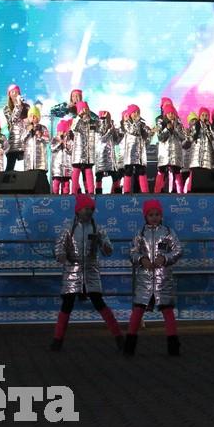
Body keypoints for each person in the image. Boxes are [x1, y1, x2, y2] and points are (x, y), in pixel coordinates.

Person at [49, 194, 124, 351]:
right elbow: (59, 246)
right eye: (85, 208)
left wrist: (104, 246)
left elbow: (108, 250)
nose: (89, 211)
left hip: (91, 272)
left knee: (99, 303)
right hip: (72, 272)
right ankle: (57, 340)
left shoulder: (98, 228)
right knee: (67, 305)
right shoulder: (68, 228)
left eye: (91, 209)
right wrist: (61, 256)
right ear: (77, 210)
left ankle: (119, 338)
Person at [124, 199, 183, 357]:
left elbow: (178, 250)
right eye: (151, 215)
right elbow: (132, 252)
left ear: (161, 215)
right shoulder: (140, 233)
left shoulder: (168, 232)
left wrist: (165, 258)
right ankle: (129, 346)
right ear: (145, 216)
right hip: (144, 280)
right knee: (138, 310)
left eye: (157, 214)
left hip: (163, 279)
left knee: (167, 311)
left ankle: (173, 346)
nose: (154, 217)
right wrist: (141, 259)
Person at [155, 106, 187, 193]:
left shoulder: (179, 124)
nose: (170, 115)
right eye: (168, 113)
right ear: (165, 114)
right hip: (164, 153)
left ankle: (180, 194)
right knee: (161, 171)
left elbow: (183, 137)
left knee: (177, 172)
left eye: (172, 113)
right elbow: (160, 138)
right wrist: (167, 129)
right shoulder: (161, 124)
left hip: (176, 153)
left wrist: (175, 129)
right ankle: (157, 192)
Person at [70, 101, 98, 194]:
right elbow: (73, 128)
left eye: (86, 109)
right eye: (82, 110)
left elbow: (97, 130)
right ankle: (73, 192)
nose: (85, 111)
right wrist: (79, 116)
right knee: (76, 172)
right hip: (78, 153)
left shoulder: (91, 123)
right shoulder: (77, 121)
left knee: (88, 171)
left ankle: (91, 192)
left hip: (88, 154)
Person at [121, 104, 150, 193]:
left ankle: (145, 192)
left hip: (140, 152)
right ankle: (126, 191)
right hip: (130, 152)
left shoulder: (142, 124)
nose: (136, 114)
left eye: (138, 112)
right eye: (134, 112)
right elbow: (133, 131)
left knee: (141, 171)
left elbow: (146, 138)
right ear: (130, 114)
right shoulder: (126, 123)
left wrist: (150, 133)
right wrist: (137, 122)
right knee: (128, 171)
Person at [3, 84, 29, 171]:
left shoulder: (26, 107)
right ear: (9, 94)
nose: (14, 94)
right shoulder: (6, 108)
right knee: (10, 166)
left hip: (25, 139)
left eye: (16, 92)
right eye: (12, 92)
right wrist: (18, 105)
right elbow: (12, 120)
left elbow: (30, 121)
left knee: (29, 166)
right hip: (14, 141)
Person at [94, 110, 121, 194]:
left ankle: (118, 195)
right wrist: (110, 130)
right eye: (103, 118)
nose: (105, 119)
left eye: (107, 117)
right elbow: (102, 139)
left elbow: (116, 141)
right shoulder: (97, 126)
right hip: (101, 156)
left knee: (115, 175)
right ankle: (98, 196)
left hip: (110, 157)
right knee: (99, 176)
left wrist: (118, 134)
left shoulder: (111, 126)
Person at [49, 119, 72, 195]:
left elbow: (71, 150)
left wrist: (65, 145)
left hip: (66, 166)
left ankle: (66, 197)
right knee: (56, 183)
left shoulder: (69, 140)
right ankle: (55, 197)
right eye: (60, 131)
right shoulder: (55, 139)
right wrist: (59, 143)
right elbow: (52, 148)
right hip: (57, 167)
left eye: (64, 131)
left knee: (66, 184)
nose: (62, 133)